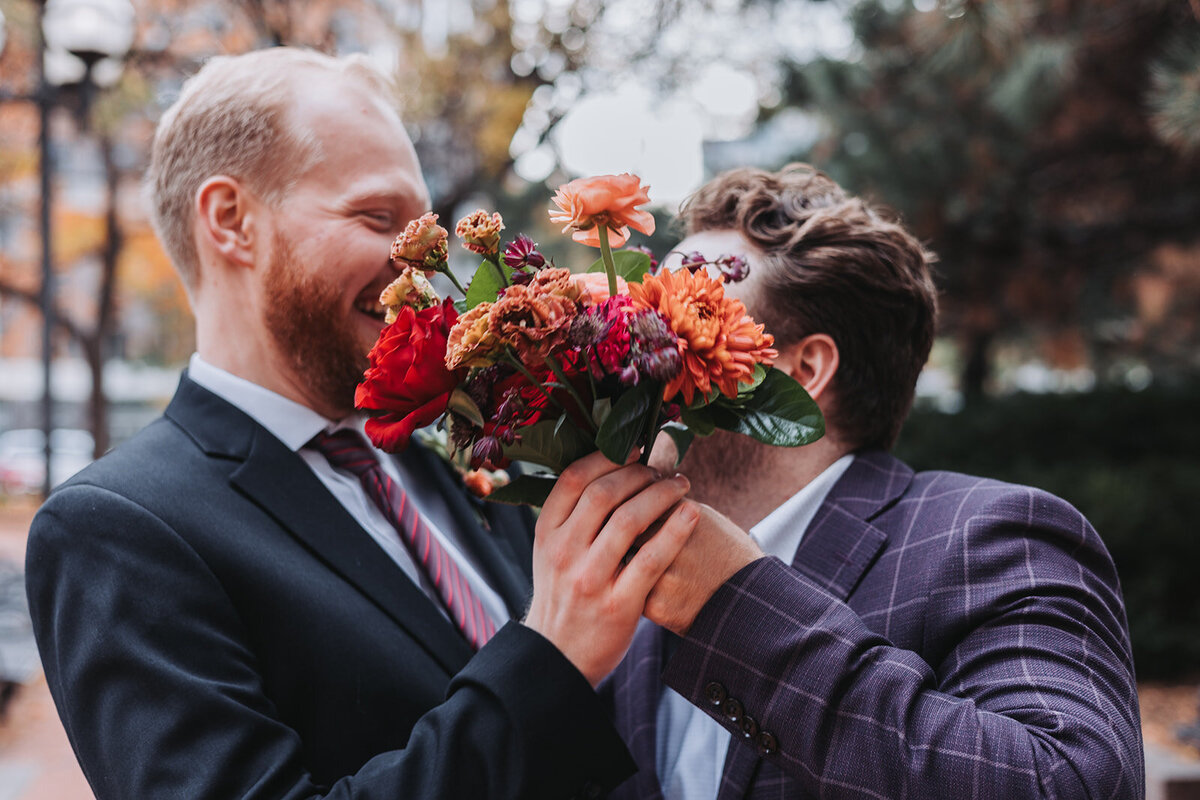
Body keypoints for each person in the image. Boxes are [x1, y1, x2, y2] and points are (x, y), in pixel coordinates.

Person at [24, 47, 699, 800]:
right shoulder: (116, 532)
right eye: (378, 219)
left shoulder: (454, 452)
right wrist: (553, 655)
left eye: (423, 231)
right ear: (230, 221)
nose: (420, 269)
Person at [601, 164, 1145, 799]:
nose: (630, 342)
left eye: (683, 314)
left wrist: (733, 607)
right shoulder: (635, 599)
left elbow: (1071, 784)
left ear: (803, 371)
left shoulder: (995, 539)